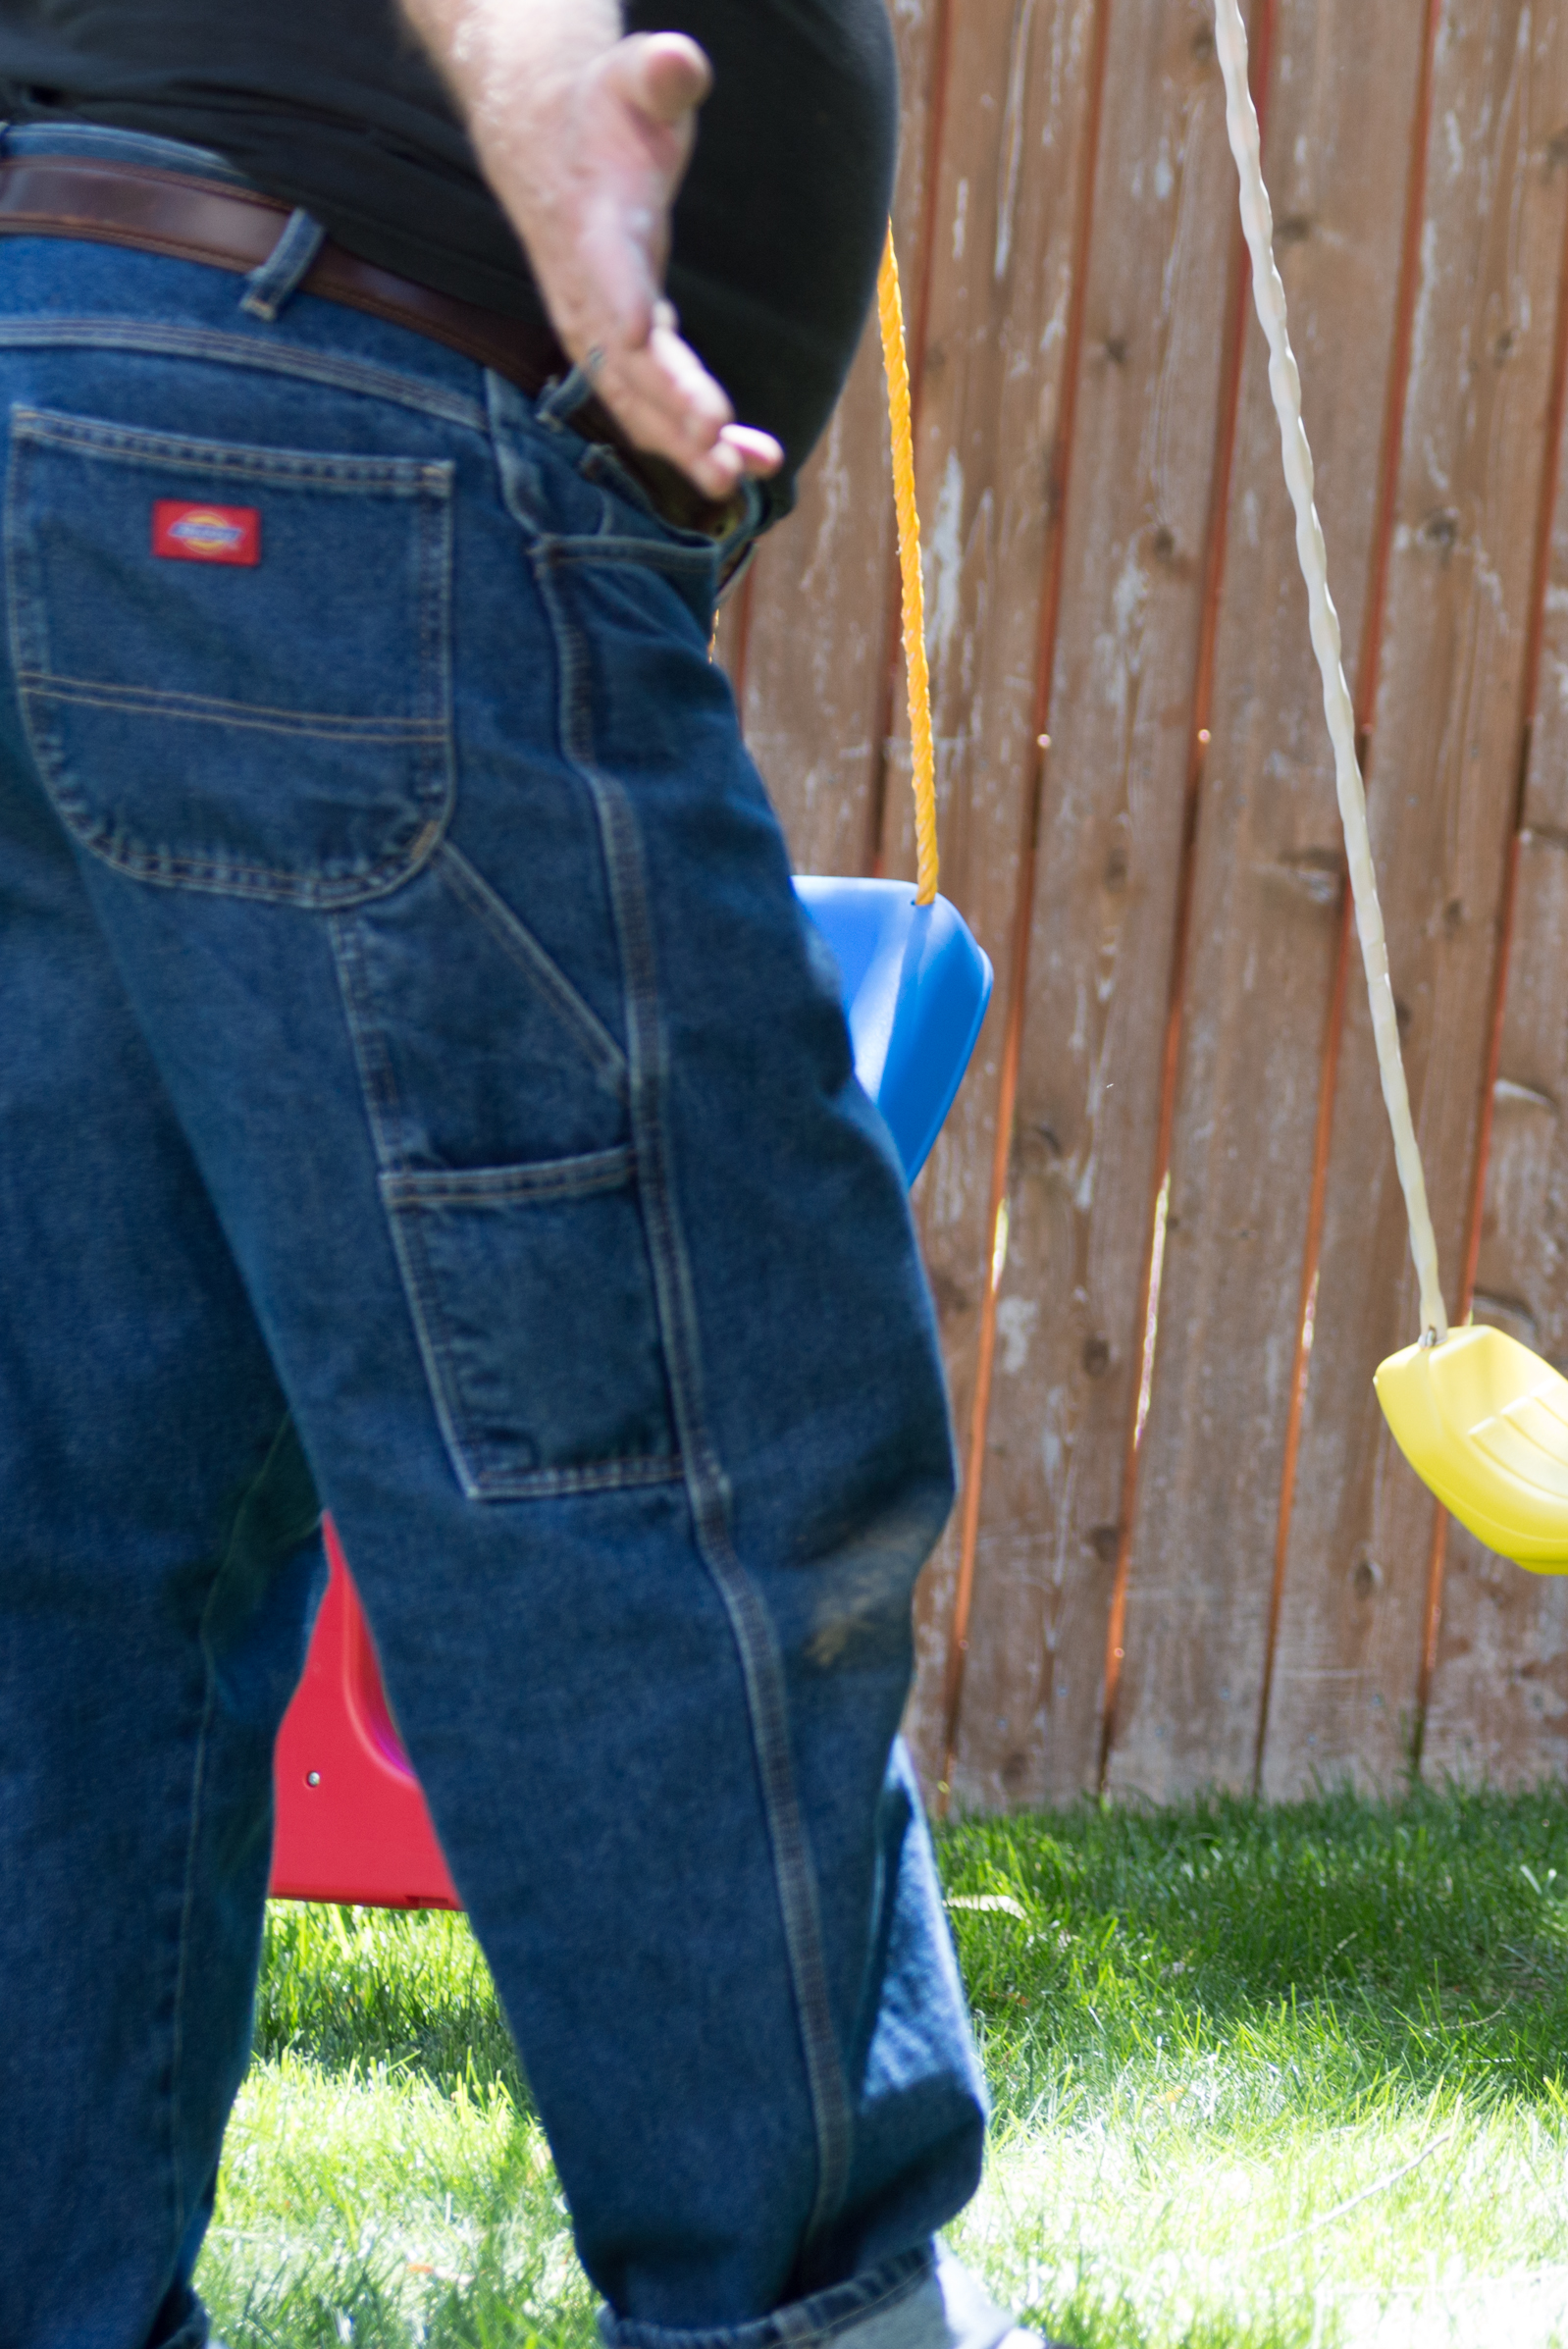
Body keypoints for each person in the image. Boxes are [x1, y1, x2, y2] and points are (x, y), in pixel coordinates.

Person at [0, 5, 1038, 2341]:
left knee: (70, 1536)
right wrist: (534, 63)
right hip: (342, 407)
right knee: (659, 1474)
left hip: (94, 379)